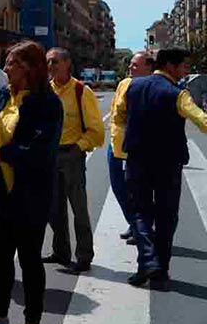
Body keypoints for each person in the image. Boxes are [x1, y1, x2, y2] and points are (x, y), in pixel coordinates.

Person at [0, 41, 63, 324]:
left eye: (11, 63)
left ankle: (32, 321)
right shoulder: (0, 97)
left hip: (30, 192)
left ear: (28, 68)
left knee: (29, 258)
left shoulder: (47, 104)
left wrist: (0, 155)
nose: (6, 68)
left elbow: (40, 150)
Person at [119, 47, 207, 289]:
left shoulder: (133, 87)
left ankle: (147, 263)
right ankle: (159, 269)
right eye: (184, 66)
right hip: (168, 164)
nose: (186, 71)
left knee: (140, 213)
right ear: (170, 65)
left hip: (137, 160)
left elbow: (121, 115)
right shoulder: (177, 94)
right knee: (166, 216)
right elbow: (201, 120)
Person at [44, 47, 105, 273]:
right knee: (54, 208)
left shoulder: (81, 91)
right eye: (48, 62)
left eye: (54, 62)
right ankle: (60, 251)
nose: (50, 66)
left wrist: (78, 149)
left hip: (72, 155)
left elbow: (96, 130)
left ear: (67, 63)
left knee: (78, 208)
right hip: (50, 156)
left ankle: (84, 255)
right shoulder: (45, 90)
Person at [108, 52, 154, 244]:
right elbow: (115, 111)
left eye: (135, 65)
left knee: (138, 192)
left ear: (149, 68)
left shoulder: (152, 86)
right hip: (116, 145)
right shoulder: (124, 83)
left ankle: (143, 228)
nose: (130, 67)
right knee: (119, 188)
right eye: (130, 64)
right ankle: (133, 223)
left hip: (136, 148)